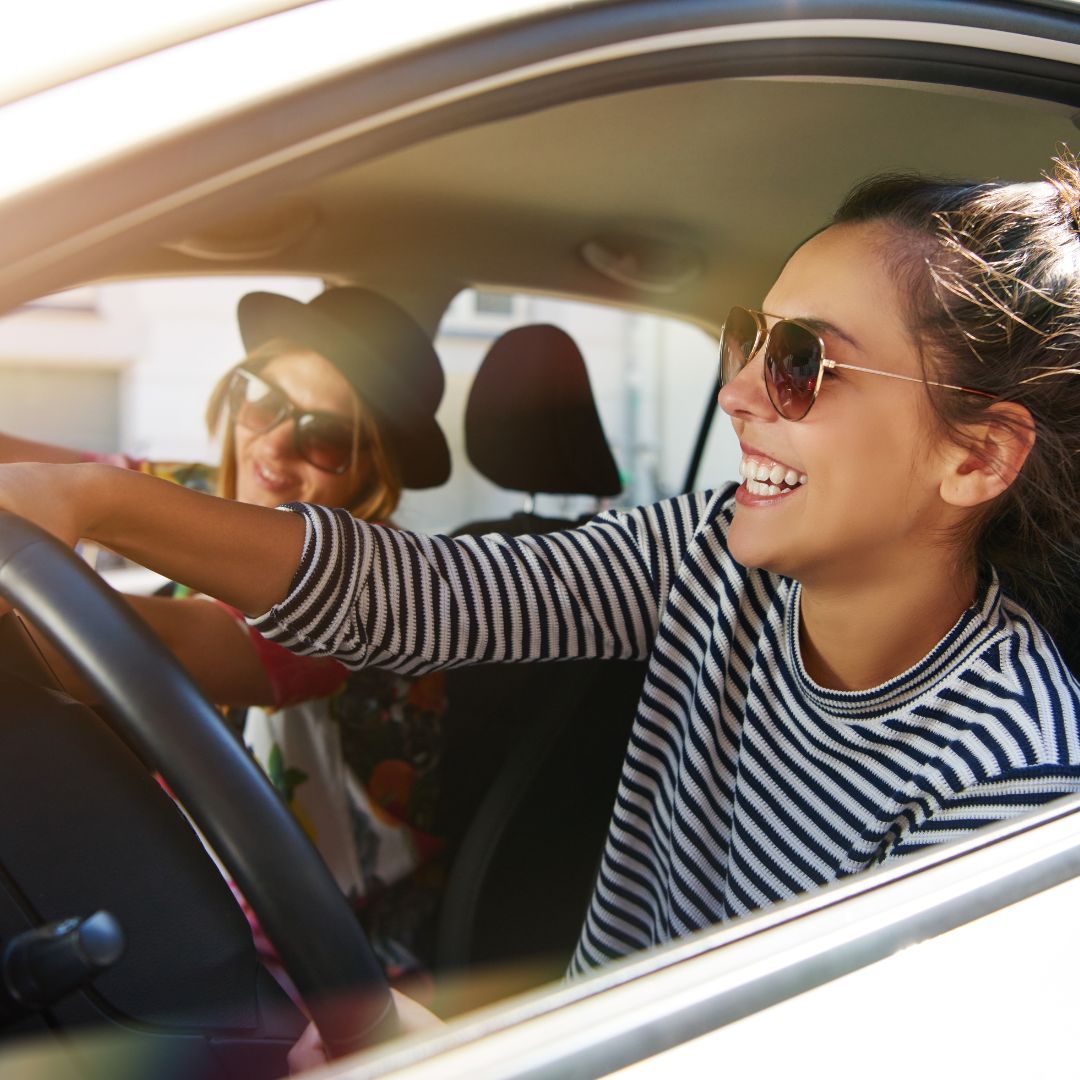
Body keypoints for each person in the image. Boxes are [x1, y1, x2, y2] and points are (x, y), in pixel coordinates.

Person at [2, 155, 1080, 987]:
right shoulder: (713, 552)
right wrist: (92, 497)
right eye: (749, 340)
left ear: (974, 455)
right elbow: (434, 600)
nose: (741, 393)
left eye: (802, 362)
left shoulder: (1012, 782)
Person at [0, 286, 453, 981]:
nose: (272, 446)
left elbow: (167, 648)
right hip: (185, 899)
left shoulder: (375, 591)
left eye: (325, 436)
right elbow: (54, 476)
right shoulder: (203, 492)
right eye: (264, 402)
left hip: (324, 973)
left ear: (371, 473)